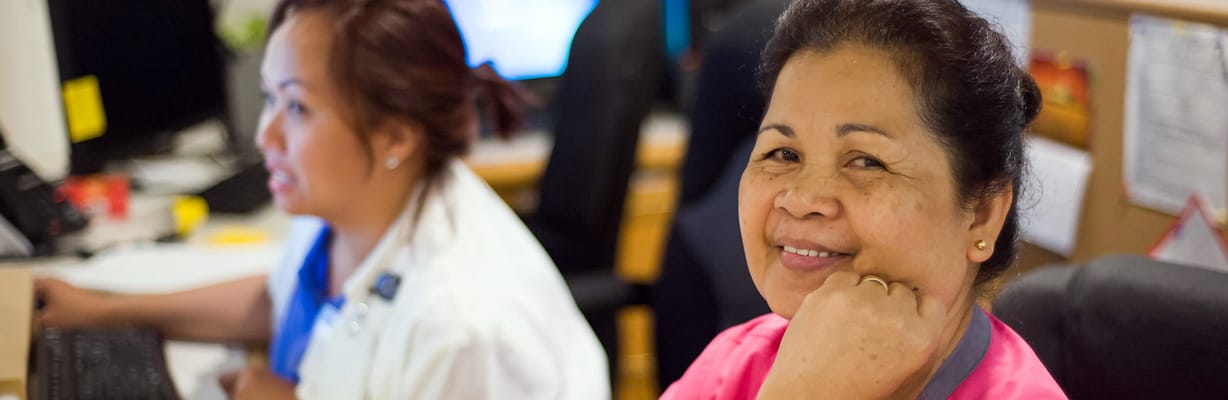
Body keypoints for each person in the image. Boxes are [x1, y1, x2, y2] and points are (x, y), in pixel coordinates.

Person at [34, 0, 609, 398]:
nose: (266, 136)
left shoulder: (463, 326)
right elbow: (284, 298)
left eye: (297, 107)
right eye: (269, 99)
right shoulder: (353, 202)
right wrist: (102, 310)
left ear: (394, 137)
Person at [660, 0, 1067, 398]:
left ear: (982, 214)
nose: (802, 199)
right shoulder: (735, 363)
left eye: (867, 162)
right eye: (783, 154)